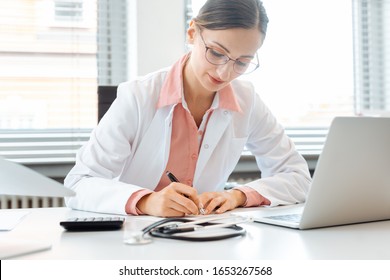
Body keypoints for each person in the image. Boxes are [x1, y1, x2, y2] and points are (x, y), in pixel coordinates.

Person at [64, 0, 311, 217]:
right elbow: (78, 185)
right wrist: (147, 200)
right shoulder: (138, 96)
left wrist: (238, 196)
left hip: (205, 236)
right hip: (136, 238)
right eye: (216, 53)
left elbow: (298, 178)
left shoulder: (246, 100)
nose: (225, 73)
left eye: (242, 62)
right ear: (192, 33)